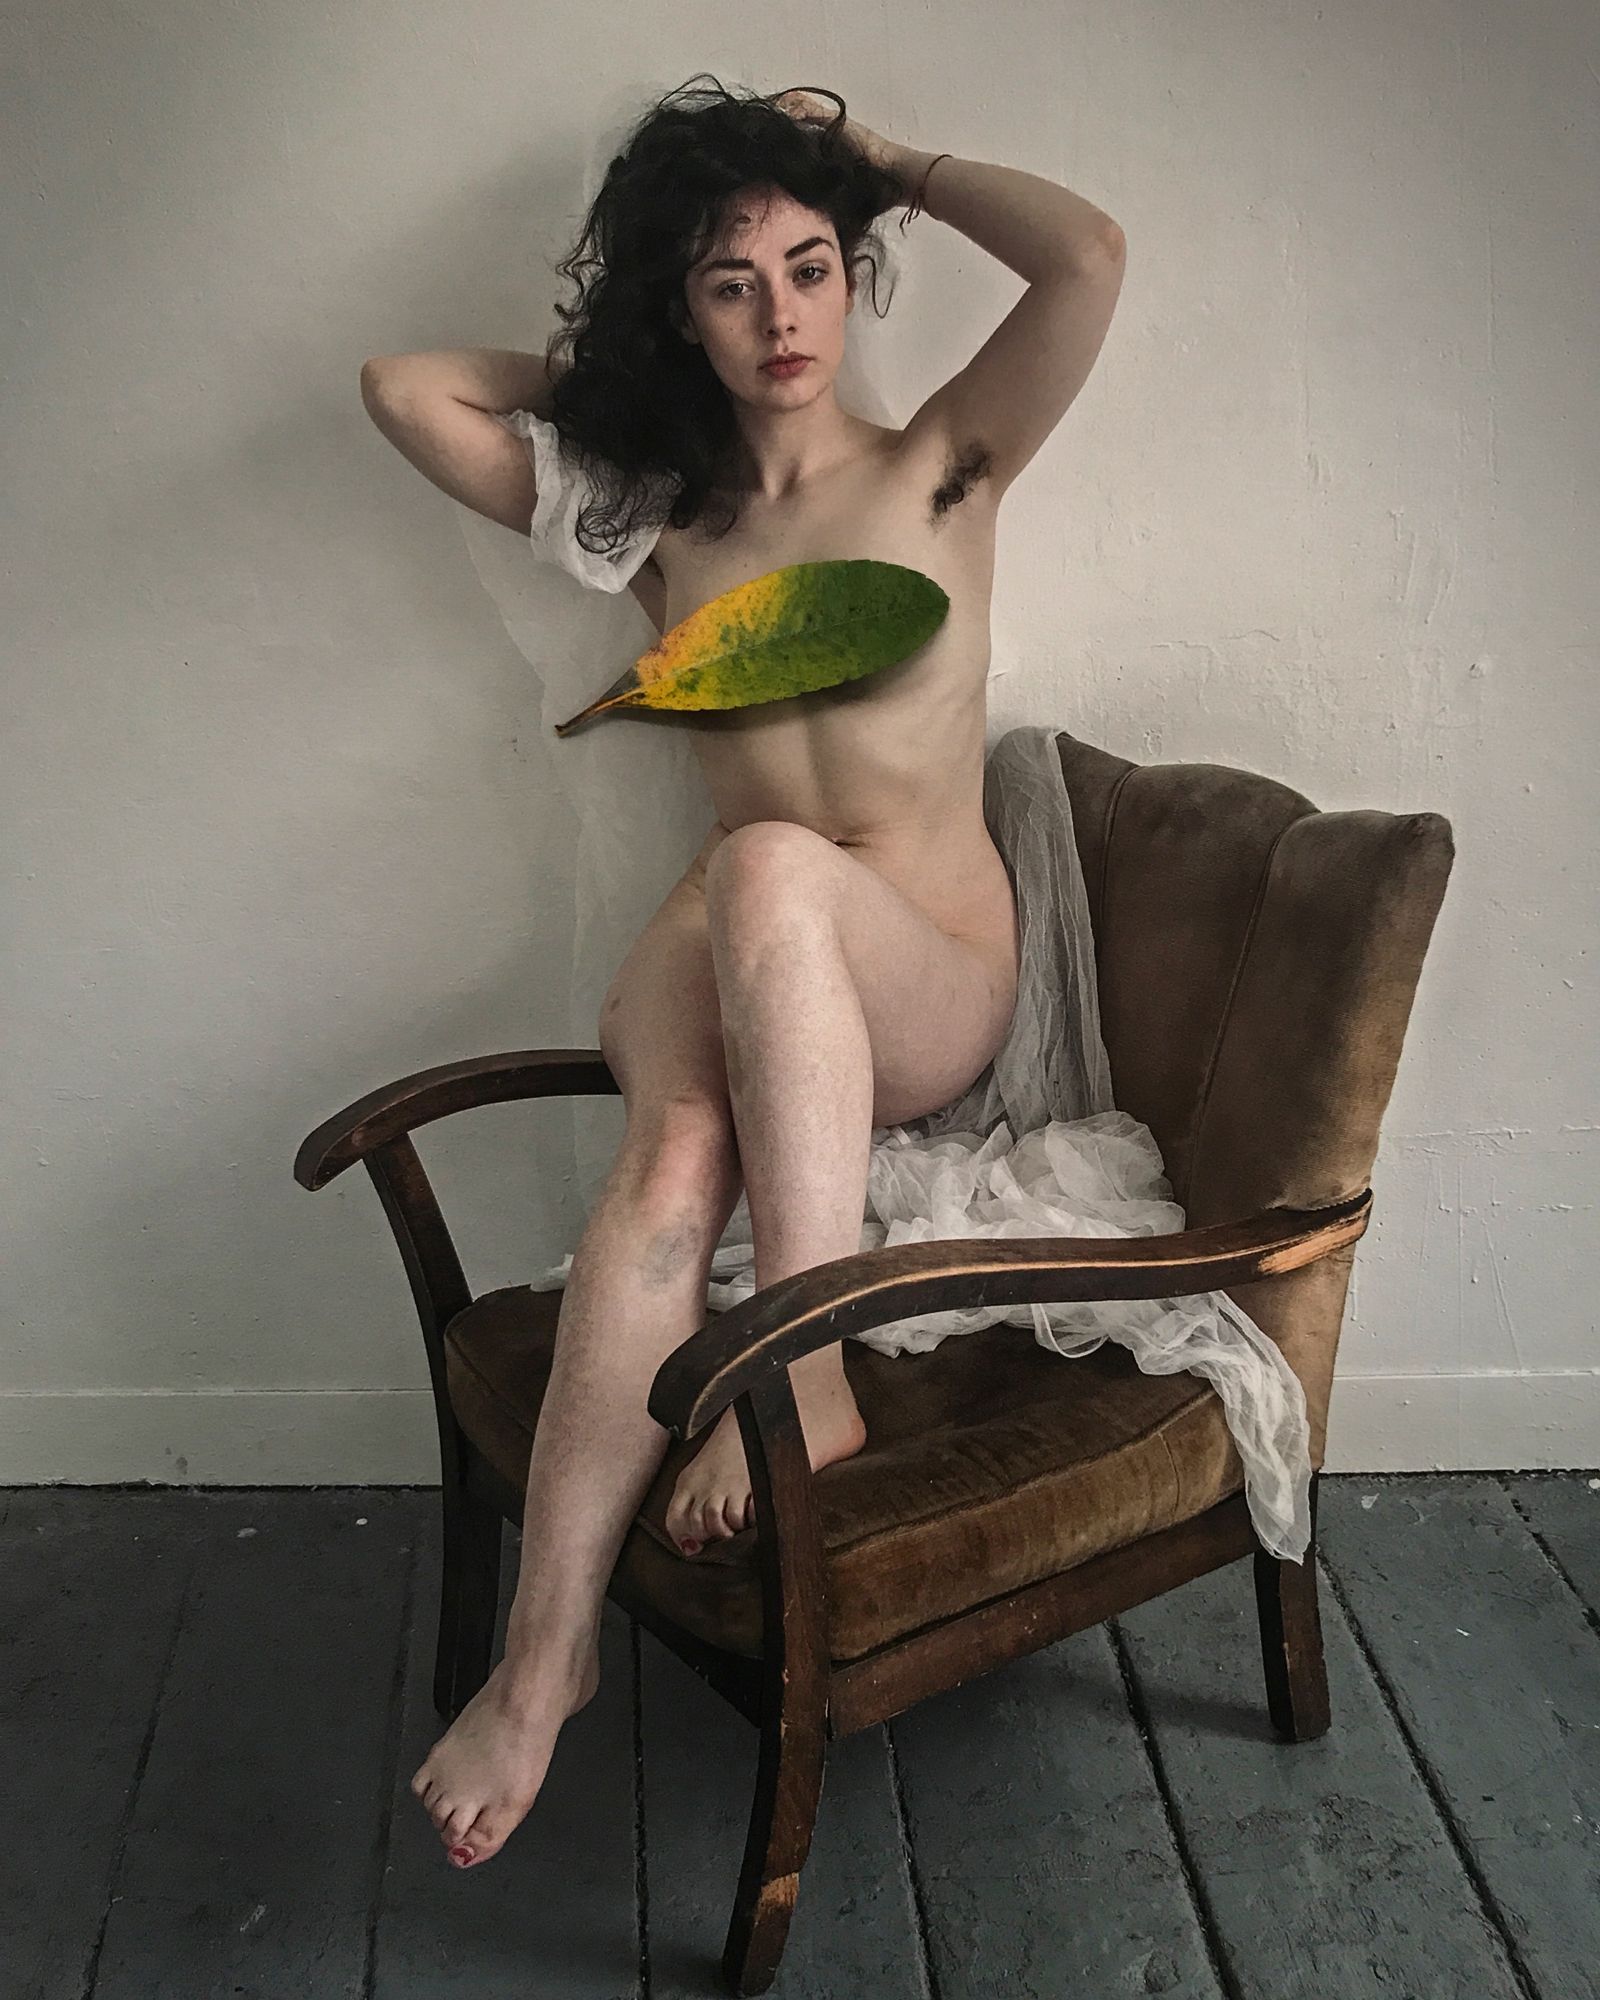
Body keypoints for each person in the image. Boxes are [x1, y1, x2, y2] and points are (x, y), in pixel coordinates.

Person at [359, 73, 1128, 1871]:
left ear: (853, 274)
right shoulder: (664, 523)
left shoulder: (939, 465)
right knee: (667, 1161)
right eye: (728, 285)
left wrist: (881, 161)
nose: (780, 317)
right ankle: (544, 1658)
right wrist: (623, 387)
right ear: (683, 313)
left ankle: (807, 1361)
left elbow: (1088, 258)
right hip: (757, 969)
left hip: (927, 980)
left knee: (770, 860)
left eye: (808, 268)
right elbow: (405, 391)